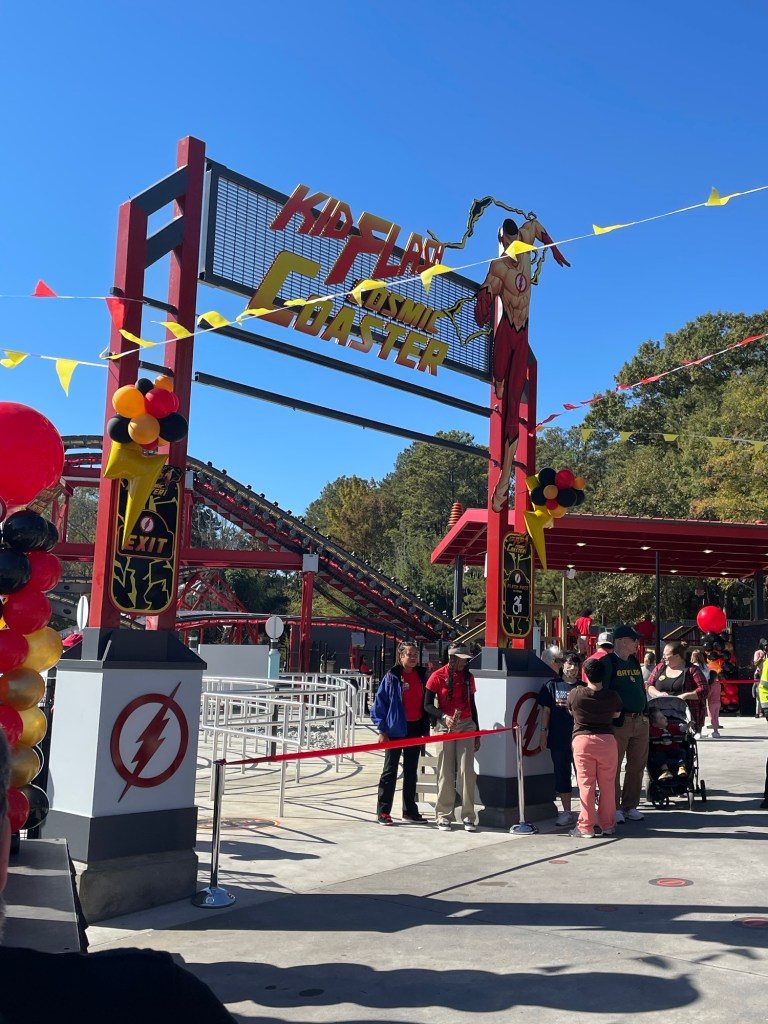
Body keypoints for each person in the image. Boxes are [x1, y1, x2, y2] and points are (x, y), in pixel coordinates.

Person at [474, 217, 570, 512]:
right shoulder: (498, 267)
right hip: (505, 333)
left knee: (513, 408)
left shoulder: (526, 244)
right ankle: (498, 382)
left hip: (523, 332)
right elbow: (482, 311)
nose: (515, 246)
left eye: (518, 240)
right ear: (502, 241)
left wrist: (553, 249)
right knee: (500, 386)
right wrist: (484, 300)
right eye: (510, 242)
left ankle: (504, 483)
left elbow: (538, 225)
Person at [370, 641, 430, 825]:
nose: (413, 658)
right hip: (395, 729)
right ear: (401, 656)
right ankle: (383, 811)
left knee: (411, 771)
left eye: (415, 655)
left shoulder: (421, 675)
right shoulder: (392, 676)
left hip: (415, 728)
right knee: (390, 771)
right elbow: (379, 704)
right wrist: (382, 729)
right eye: (409, 655)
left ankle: (410, 810)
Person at [424, 644, 480, 832]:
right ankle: (444, 815)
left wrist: (477, 731)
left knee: (467, 771)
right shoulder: (437, 676)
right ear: (452, 658)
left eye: (466, 659)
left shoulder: (468, 677)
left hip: (466, 724)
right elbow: (427, 705)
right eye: (462, 658)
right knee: (445, 772)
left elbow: (473, 705)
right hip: (444, 727)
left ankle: (468, 815)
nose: (465, 661)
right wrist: (442, 716)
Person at [566, 655, 622, 838]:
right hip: (607, 741)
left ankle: (585, 826)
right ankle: (607, 824)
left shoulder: (576, 694)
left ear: (586, 674)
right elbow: (616, 715)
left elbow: (570, 710)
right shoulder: (613, 695)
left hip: (583, 740)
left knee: (585, 785)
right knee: (607, 785)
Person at [601, 624, 648, 823]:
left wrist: (647, 712)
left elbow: (639, 688)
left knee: (637, 766)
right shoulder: (608, 662)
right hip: (620, 722)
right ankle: (614, 807)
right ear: (622, 641)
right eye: (634, 639)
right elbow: (601, 690)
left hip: (640, 720)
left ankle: (631, 805)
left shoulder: (634, 662)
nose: (637, 643)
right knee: (614, 766)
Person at [538, 651, 582, 826]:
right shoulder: (551, 686)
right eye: (570, 663)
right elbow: (546, 711)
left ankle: (588, 810)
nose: (573, 668)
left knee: (583, 775)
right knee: (561, 774)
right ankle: (567, 811)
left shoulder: (584, 687)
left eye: (577, 664)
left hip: (580, 738)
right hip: (558, 738)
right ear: (562, 664)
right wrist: (543, 732)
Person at [646, 643, 708, 736]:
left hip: (683, 715)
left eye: (667, 655)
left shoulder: (692, 670)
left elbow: (704, 689)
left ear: (677, 656)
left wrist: (685, 696)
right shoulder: (660, 667)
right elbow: (649, 685)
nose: (664, 657)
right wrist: (658, 693)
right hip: (658, 716)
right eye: (663, 654)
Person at [648, 708, 688, 779]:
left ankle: (681, 767)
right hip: (662, 751)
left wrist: (687, 726)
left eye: (664, 716)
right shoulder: (652, 730)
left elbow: (680, 729)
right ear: (654, 724)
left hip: (675, 749)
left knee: (682, 752)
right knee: (657, 755)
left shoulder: (671, 727)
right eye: (661, 718)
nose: (665, 718)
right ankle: (665, 771)